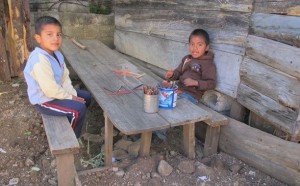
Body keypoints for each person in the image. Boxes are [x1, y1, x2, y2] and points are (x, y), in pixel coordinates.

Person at [24, 16, 91, 138]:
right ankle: (70, 139)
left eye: (59, 34)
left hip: (57, 93)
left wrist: (72, 95)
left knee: (86, 97)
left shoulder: (57, 54)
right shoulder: (39, 59)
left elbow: (65, 77)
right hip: (45, 100)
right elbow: (50, 90)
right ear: (38, 38)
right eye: (49, 34)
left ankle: (72, 118)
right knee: (78, 109)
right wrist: (70, 97)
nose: (55, 38)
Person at [165, 28, 216, 104]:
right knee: (158, 92)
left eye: (200, 45)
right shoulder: (187, 59)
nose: (195, 48)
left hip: (191, 96)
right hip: (177, 89)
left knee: (172, 103)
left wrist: (195, 83)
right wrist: (172, 75)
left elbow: (211, 84)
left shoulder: (208, 64)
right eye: (192, 44)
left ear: (207, 47)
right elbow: (178, 72)